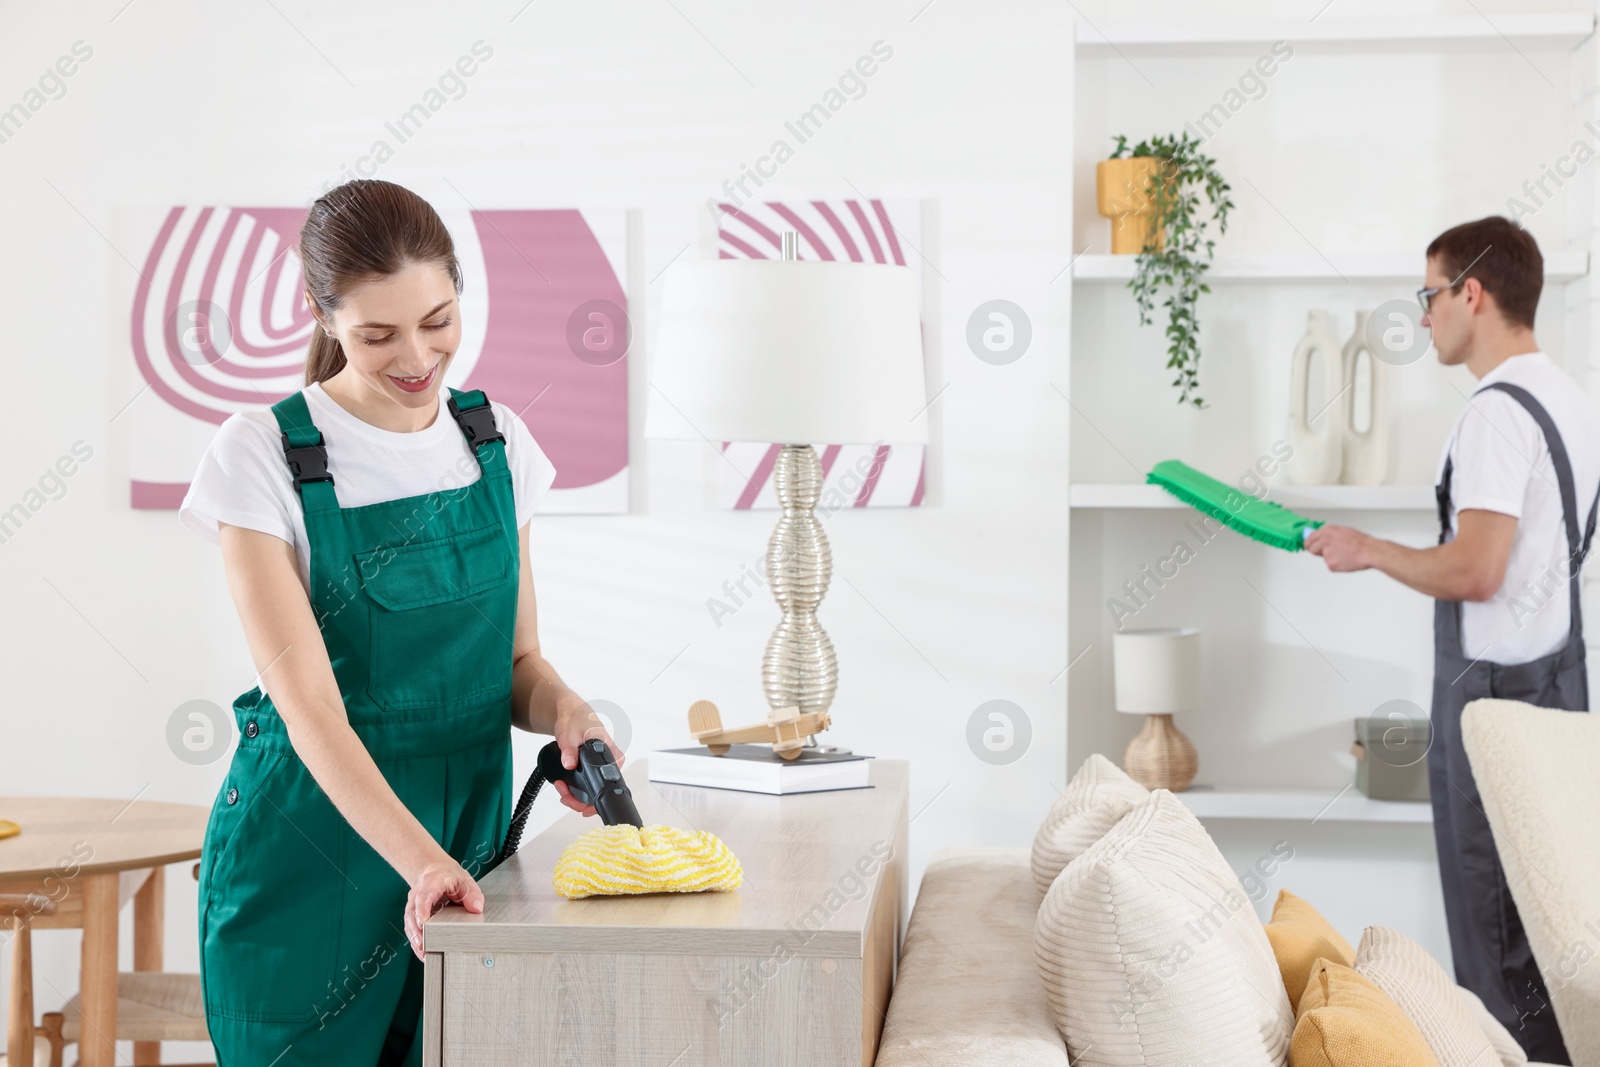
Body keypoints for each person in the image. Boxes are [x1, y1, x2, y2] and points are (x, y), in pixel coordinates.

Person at [179, 179, 622, 1066]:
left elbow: (519, 659)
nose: (417, 356)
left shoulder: (495, 439)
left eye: (439, 319)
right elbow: (311, 712)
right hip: (309, 845)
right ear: (320, 313)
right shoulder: (261, 456)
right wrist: (419, 861)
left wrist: (566, 707)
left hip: (468, 830)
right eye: (378, 334)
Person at [1307, 215, 1600, 1063]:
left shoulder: (1495, 415)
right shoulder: (1569, 398)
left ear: (1472, 292)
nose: (1425, 315)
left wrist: (1369, 550)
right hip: (1559, 693)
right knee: (1559, 942)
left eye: (1429, 295)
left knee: (1499, 962)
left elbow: (1479, 570)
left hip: (1493, 708)